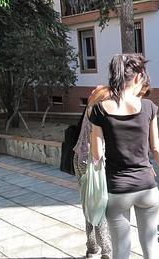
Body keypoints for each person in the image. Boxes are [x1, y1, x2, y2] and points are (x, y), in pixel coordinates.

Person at [89, 53, 159, 259]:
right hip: (147, 187)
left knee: (120, 250)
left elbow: (97, 154)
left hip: (118, 190)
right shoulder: (148, 107)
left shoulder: (99, 110)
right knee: (151, 246)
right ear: (137, 77)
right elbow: (156, 147)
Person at [73, 86, 112, 259]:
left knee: (88, 206)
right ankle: (107, 251)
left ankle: (91, 248)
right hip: (92, 162)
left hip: (79, 159)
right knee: (99, 206)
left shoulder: (89, 108)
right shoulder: (99, 112)